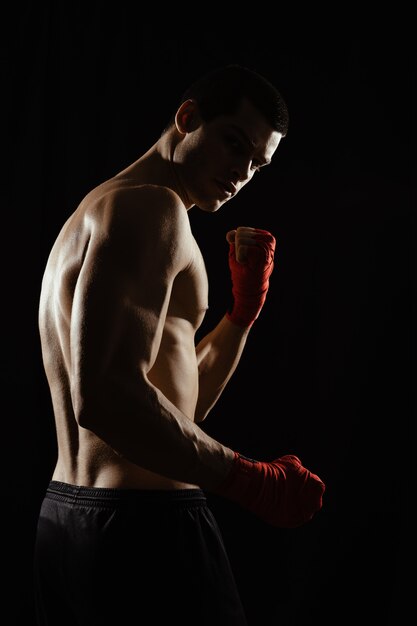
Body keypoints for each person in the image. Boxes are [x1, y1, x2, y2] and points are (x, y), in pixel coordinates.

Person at [34, 64, 325, 625]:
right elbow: (105, 399)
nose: (241, 171)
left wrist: (239, 319)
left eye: (257, 164)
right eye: (233, 143)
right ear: (188, 118)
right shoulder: (153, 208)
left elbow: (170, 408)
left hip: (69, 521)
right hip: (144, 528)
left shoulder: (95, 211)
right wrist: (248, 480)